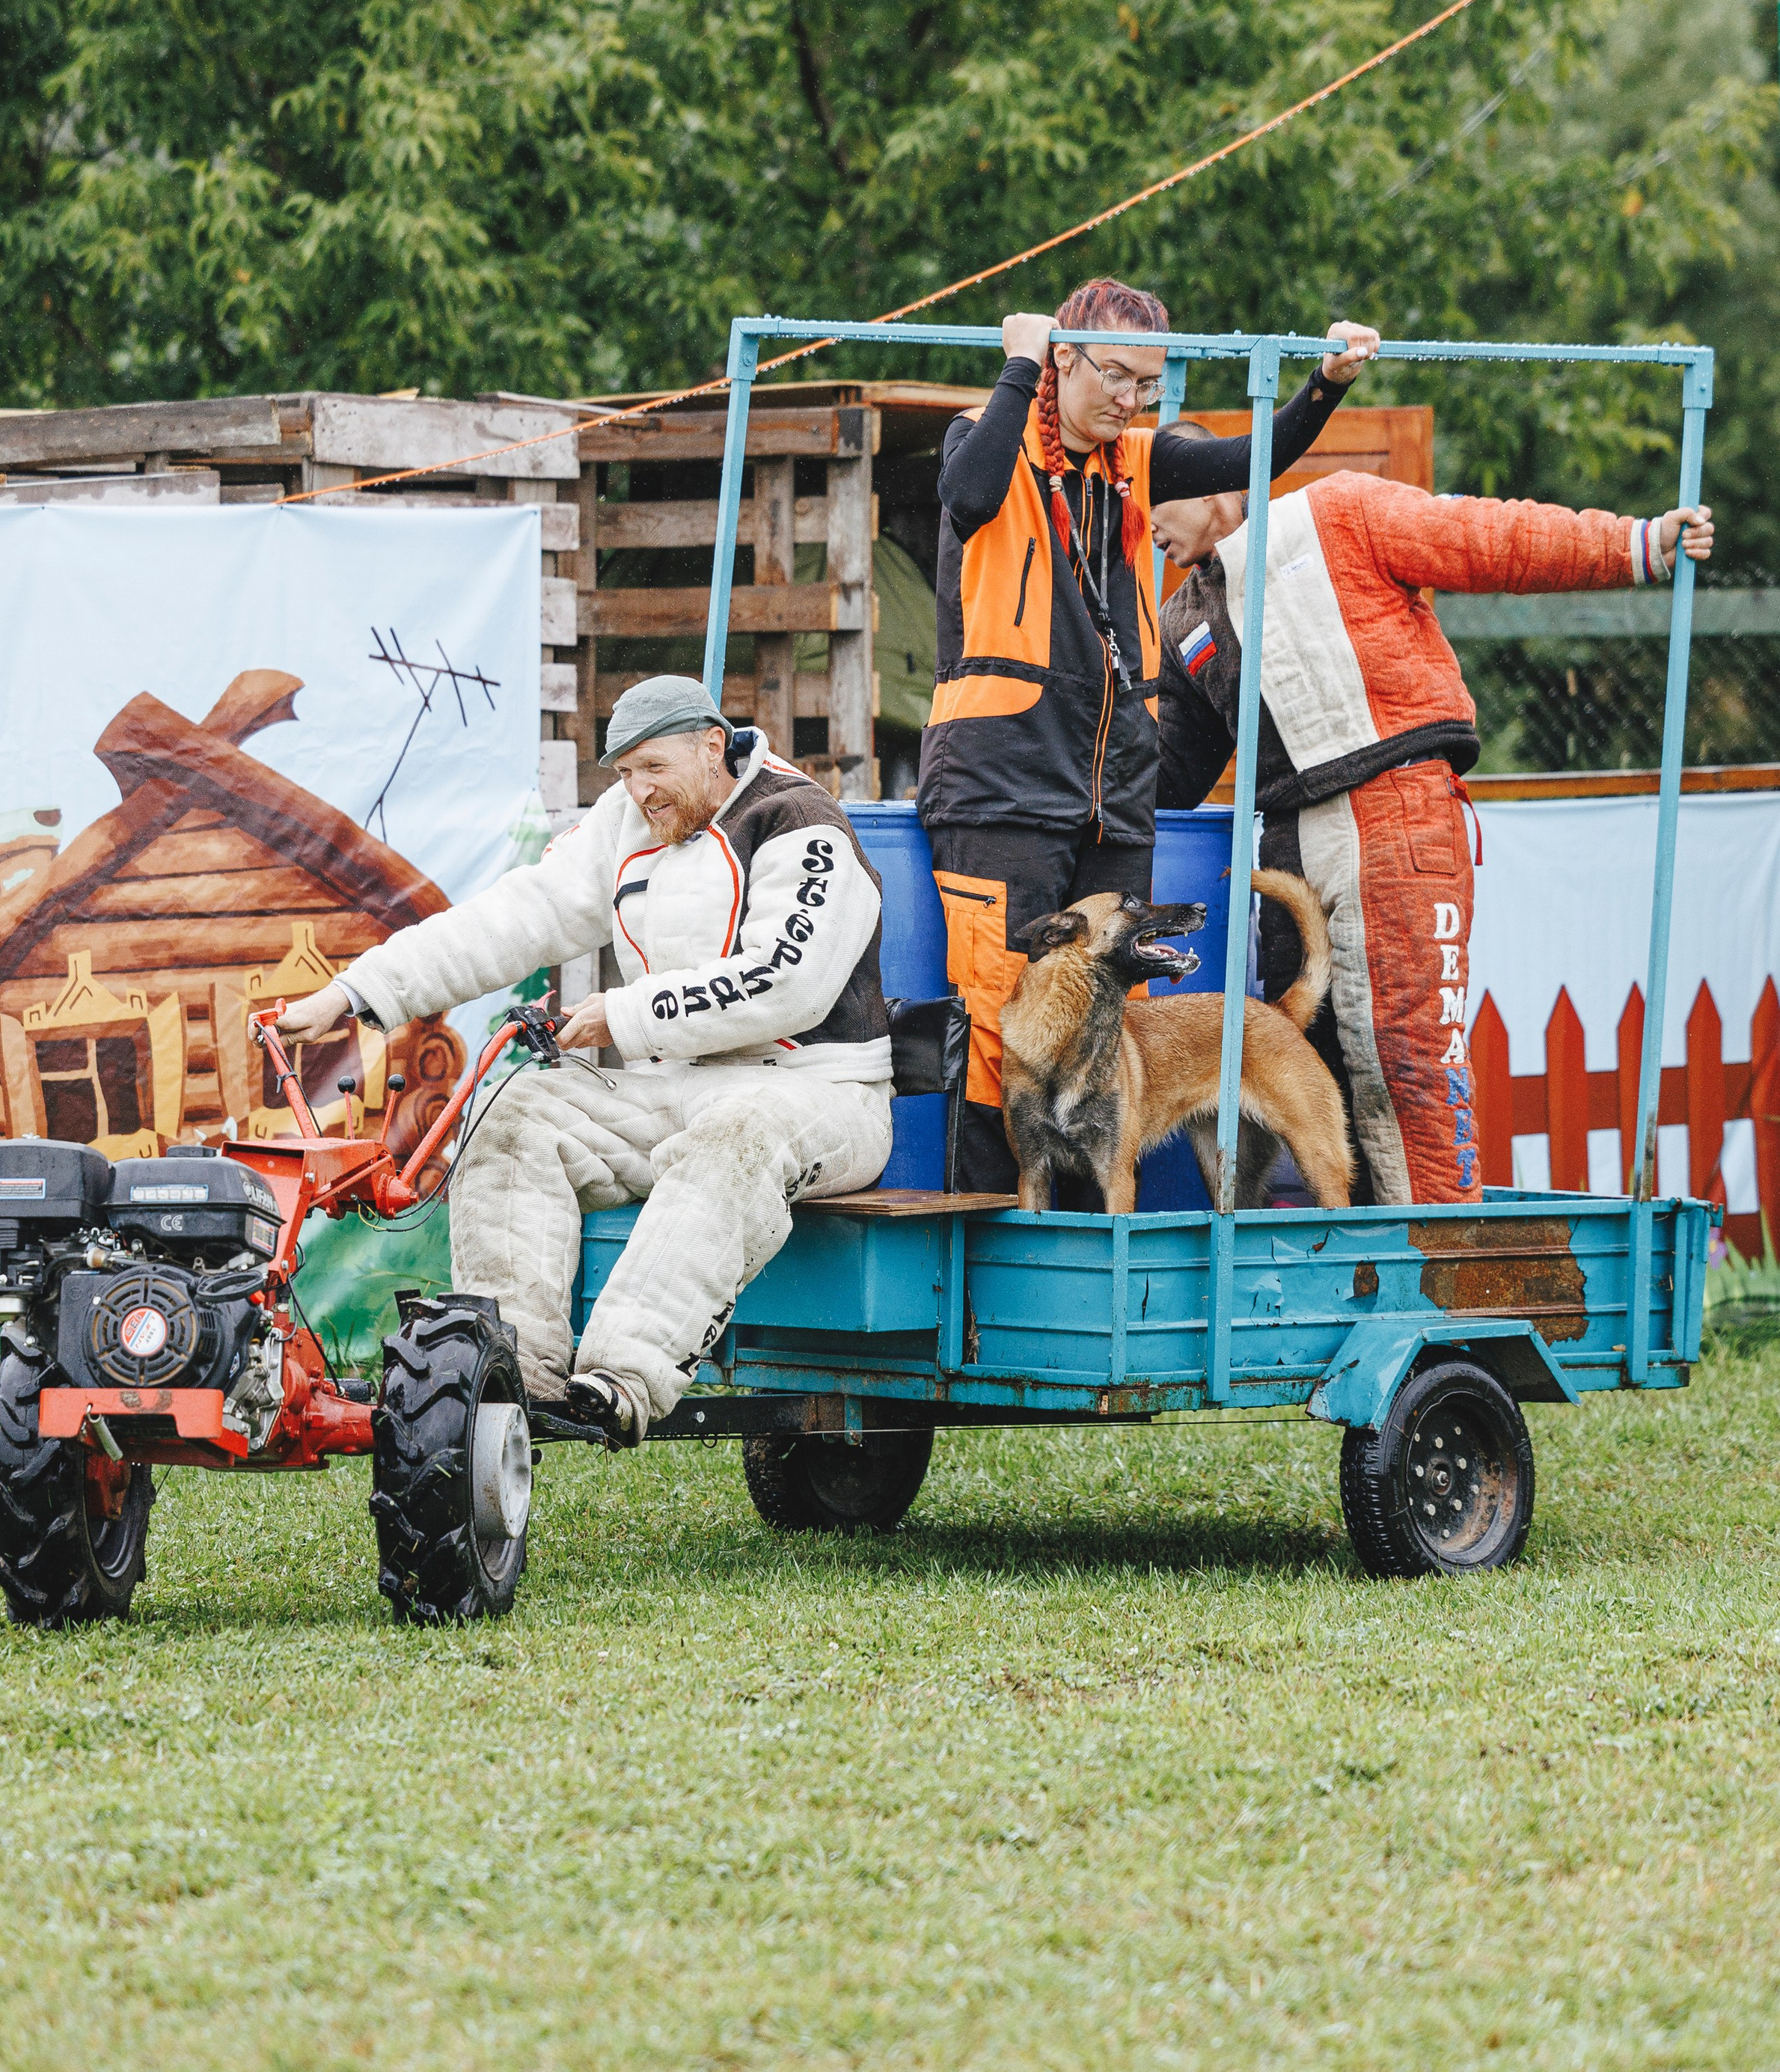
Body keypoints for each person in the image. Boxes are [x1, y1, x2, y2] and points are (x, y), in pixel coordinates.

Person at [266, 676, 891, 1443]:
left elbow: (788, 984)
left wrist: (622, 1016)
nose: (638, 792)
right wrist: (355, 994)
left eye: (653, 768)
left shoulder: (802, 823)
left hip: (820, 1093)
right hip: (677, 1085)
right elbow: (513, 917)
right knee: (513, 1114)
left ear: (710, 744)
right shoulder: (626, 821)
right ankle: (508, 1380)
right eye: (623, 773)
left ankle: (618, 1382)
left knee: (736, 1137)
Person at [915, 278, 1380, 1191]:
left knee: (1107, 1038)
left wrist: (1324, 381)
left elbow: (1259, 455)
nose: (1130, 401)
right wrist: (1018, 366)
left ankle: (1099, 1268)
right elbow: (966, 501)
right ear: (1064, 359)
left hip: (1113, 801)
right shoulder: (987, 434)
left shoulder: (1138, 459)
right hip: (998, 786)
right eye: (1116, 377)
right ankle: (987, 1281)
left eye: (1150, 385)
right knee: (997, 1033)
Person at [1153, 474, 1716, 1205]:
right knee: (1308, 1066)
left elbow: (1489, 537)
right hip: (1288, 841)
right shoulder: (1181, 618)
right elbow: (1169, 777)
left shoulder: (1342, 510)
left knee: (1405, 1061)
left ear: (1212, 488)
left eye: (1152, 500)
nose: (1146, 524)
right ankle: (1340, 1286)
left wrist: (1639, 544)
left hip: (1397, 805)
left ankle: (1437, 1281)